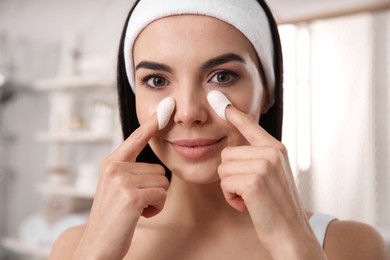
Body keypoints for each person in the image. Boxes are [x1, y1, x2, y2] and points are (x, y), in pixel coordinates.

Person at [50, 0, 389, 259]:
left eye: (222, 76)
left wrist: (294, 244)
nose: (188, 113)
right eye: (156, 80)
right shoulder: (74, 247)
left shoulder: (350, 245)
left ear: (268, 91)